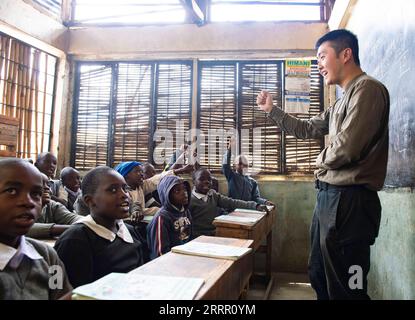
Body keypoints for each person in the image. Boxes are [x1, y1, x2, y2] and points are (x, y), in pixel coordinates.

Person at [257, 29, 390, 300]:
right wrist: (273, 110)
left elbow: (347, 148)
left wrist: (319, 163)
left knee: (348, 287)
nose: (318, 65)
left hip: (351, 203)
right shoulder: (342, 101)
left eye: (321, 56)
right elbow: (306, 129)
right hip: (329, 199)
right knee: (319, 274)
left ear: (346, 54)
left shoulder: (368, 90)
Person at [54, 166, 147, 288]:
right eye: (113, 190)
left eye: (124, 188)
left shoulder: (129, 231)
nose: (124, 195)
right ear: (90, 201)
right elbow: (60, 290)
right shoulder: (74, 240)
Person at [0, 158, 71, 299]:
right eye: (12, 191)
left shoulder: (46, 255)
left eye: (36, 194)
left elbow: (59, 294)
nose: (28, 202)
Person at [189, 168, 268, 238]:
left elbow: (232, 202)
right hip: (198, 238)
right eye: (201, 179)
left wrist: (255, 206)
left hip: (215, 233)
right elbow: (188, 227)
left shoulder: (212, 194)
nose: (206, 182)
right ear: (193, 182)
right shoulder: (190, 201)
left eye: (209, 179)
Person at [147, 175, 192, 259]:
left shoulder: (186, 212)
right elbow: (160, 253)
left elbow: (189, 239)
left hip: (184, 257)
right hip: (167, 262)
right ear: (166, 194)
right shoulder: (162, 218)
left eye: (185, 189)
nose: (184, 193)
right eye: (177, 191)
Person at [27, 173, 82, 239]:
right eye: (40, 184)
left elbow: (73, 218)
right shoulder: (21, 207)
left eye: (48, 184)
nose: (47, 188)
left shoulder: (53, 206)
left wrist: (86, 223)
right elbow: (25, 227)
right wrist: (72, 228)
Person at [222, 136, 274, 206]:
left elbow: (255, 198)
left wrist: (265, 202)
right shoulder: (232, 176)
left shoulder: (252, 182)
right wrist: (229, 148)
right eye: (240, 164)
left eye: (245, 164)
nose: (242, 166)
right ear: (235, 165)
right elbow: (225, 166)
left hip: (247, 209)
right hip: (232, 209)